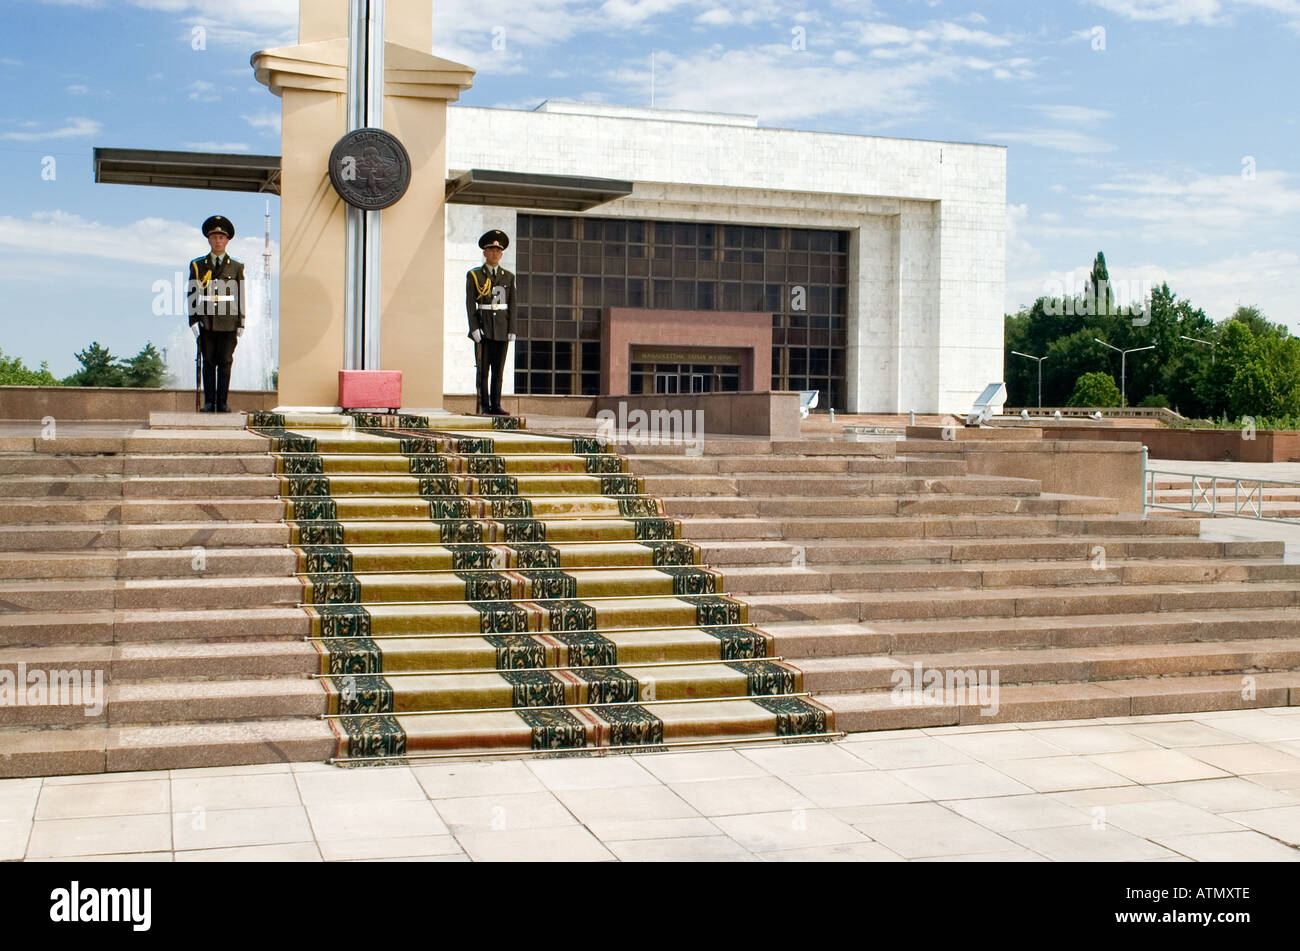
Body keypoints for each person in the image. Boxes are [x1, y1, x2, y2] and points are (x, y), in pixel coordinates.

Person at [187, 215, 245, 413]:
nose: (218, 241)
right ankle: (209, 402)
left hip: (229, 321)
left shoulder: (236, 266)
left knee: (226, 362)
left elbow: (240, 294)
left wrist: (241, 321)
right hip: (207, 320)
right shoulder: (198, 265)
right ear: (209, 240)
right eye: (214, 237)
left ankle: (222, 403)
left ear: (227, 240)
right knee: (209, 362)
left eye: (221, 237)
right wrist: (193, 320)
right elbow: (192, 293)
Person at [464, 229, 517, 415]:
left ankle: (496, 405)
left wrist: (512, 329)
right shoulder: (475, 275)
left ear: (501, 254)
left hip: (502, 329)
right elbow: (470, 304)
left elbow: (512, 304)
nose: (494, 253)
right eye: (491, 250)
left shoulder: (508, 276)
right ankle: (484, 405)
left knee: (498, 371)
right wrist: (474, 328)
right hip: (484, 327)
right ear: (484, 252)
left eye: (498, 250)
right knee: (483, 370)